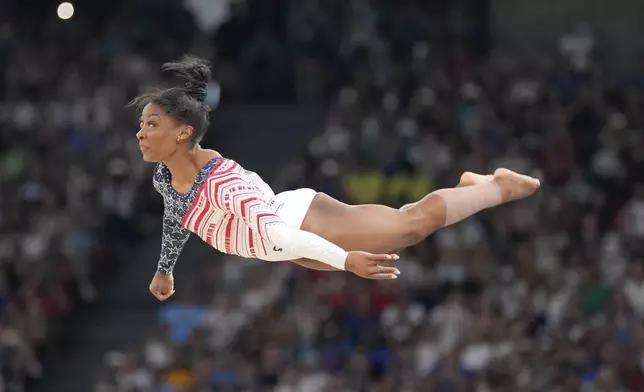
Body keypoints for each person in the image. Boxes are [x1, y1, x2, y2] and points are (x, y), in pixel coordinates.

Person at [134, 56, 540, 301]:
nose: (140, 133)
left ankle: (494, 186)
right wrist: (165, 268)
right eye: (141, 124)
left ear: (183, 132)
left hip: (301, 224)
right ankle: (470, 188)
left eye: (151, 124)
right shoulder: (165, 178)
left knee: (412, 225)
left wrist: (346, 260)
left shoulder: (224, 184)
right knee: (407, 228)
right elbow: (177, 215)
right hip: (280, 246)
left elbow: (276, 233)